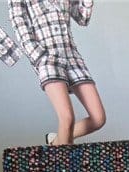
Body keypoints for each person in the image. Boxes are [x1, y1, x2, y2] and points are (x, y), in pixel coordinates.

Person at [9, 0, 106, 145]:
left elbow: (82, 19)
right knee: (67, 119)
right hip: (48, 57)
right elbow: (20, 26)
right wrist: (40, 57)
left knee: (98, 119)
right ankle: (64, 158)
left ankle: (55, 142)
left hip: (72, 55)